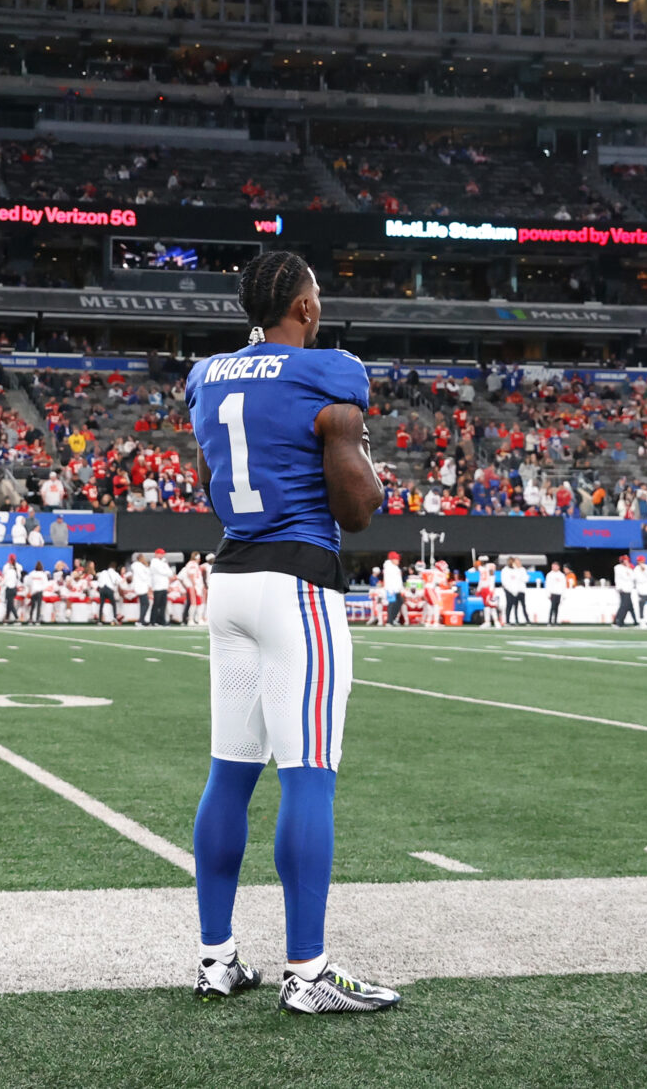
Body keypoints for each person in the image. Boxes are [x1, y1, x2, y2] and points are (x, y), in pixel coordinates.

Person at [182, 250, 399, 1014]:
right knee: (308, 774)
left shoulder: (206, 376)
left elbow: (213, 474)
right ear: (304, 307)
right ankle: (307, 970)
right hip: (297, 582)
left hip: (231, 578)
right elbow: (357, 508)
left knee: (229, 772)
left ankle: (216, 959)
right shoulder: (330, 370)